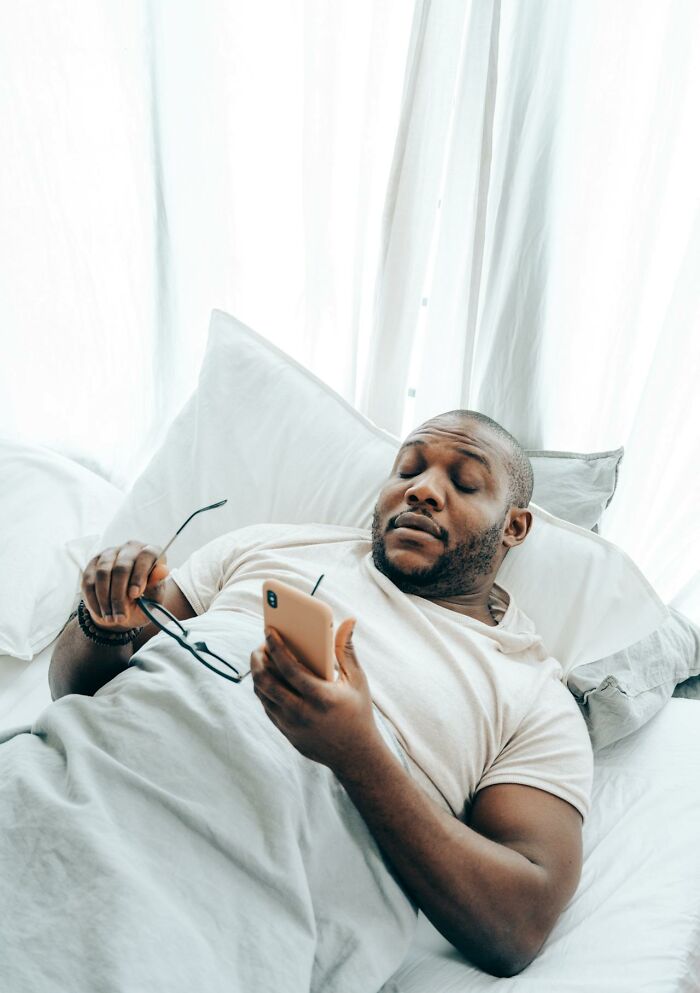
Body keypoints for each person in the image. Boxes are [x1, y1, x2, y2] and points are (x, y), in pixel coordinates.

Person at [2, 409, 592, 991]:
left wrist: (357, 753)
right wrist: (103, 622)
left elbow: (518, 926)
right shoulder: (270, 547)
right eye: (407, 470)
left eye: (464, 483)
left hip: (211, 892)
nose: (423, 491)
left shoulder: (532, 695)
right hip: (51, 792)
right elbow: (74, 689)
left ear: (514, 527)